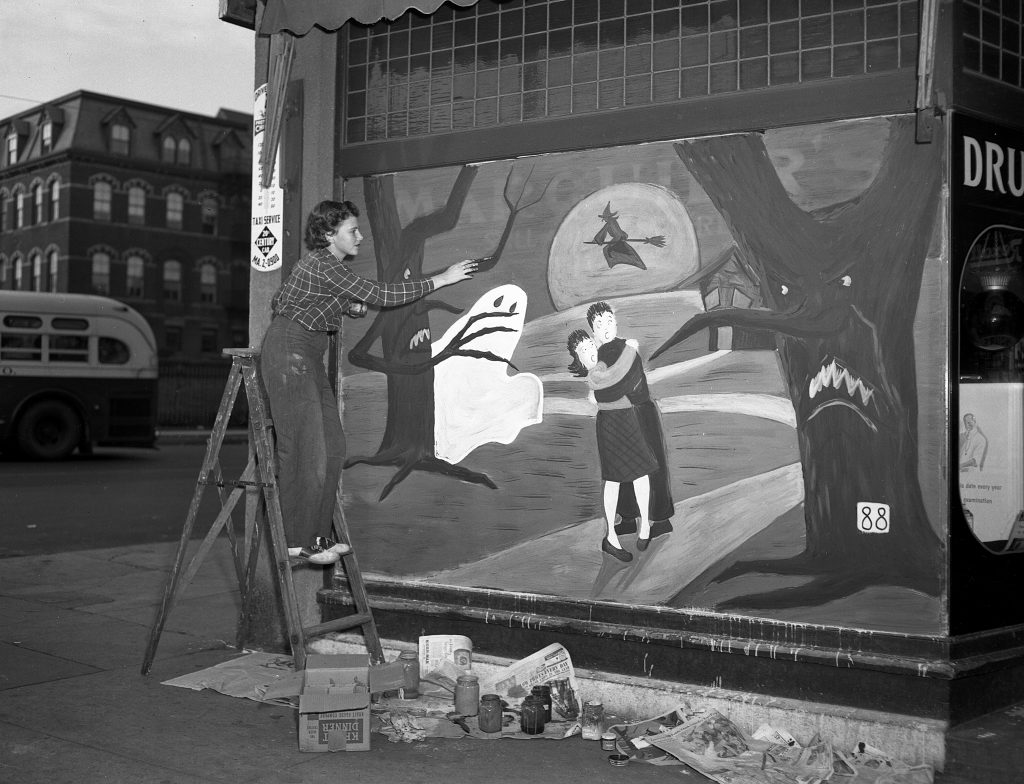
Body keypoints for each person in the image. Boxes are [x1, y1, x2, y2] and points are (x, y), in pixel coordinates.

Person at [261, 199, 476, 564]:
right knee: (307, 449)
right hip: (289, 352)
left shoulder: (326, 270)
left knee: (332, 447)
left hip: (307, 354)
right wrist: (443, 278)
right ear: (329, 234)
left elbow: (286, 297)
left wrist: (345, 304)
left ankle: (312, 536)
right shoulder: (321, 263)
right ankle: (295, 539)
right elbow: (381, 295)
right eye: (352, 231)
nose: (360, 236)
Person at [586, 302, 674, 541]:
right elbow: (600, 387)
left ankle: (660, 519)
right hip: (619, 415)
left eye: (609, 321)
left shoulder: (628, 349)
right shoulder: (598, 355)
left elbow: (625, 387)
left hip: (640, 411)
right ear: (593, 331)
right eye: (599, 324)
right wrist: (600, 393)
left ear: (616, 322)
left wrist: (599, 395)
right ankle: (627, 518)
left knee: (650, 466)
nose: (605, 327)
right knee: (621, 470)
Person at [567, 329, 656, 562]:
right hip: (611, 425)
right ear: (579, 361)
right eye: (583, 351)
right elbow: (618, 378)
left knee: (641, 472)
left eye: (589, 345)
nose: (589, 352)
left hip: (628, 420)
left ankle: (645, 523)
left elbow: (624, 380)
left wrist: (627, 351)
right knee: (614, 480)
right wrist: (630, 349)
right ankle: (611, 538)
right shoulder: (595, 376)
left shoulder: (604, 364)